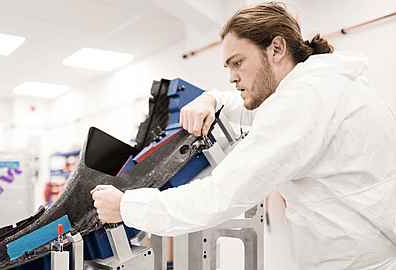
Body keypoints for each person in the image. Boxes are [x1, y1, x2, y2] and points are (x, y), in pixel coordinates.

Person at [91, 2, 396, 269]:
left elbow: (218, 198)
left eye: (238, 62)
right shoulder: (324, 82)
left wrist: (127, 207)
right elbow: (255, 105)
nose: (231, 76)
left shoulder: (302, 103)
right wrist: (212, 98)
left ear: (276, 49)